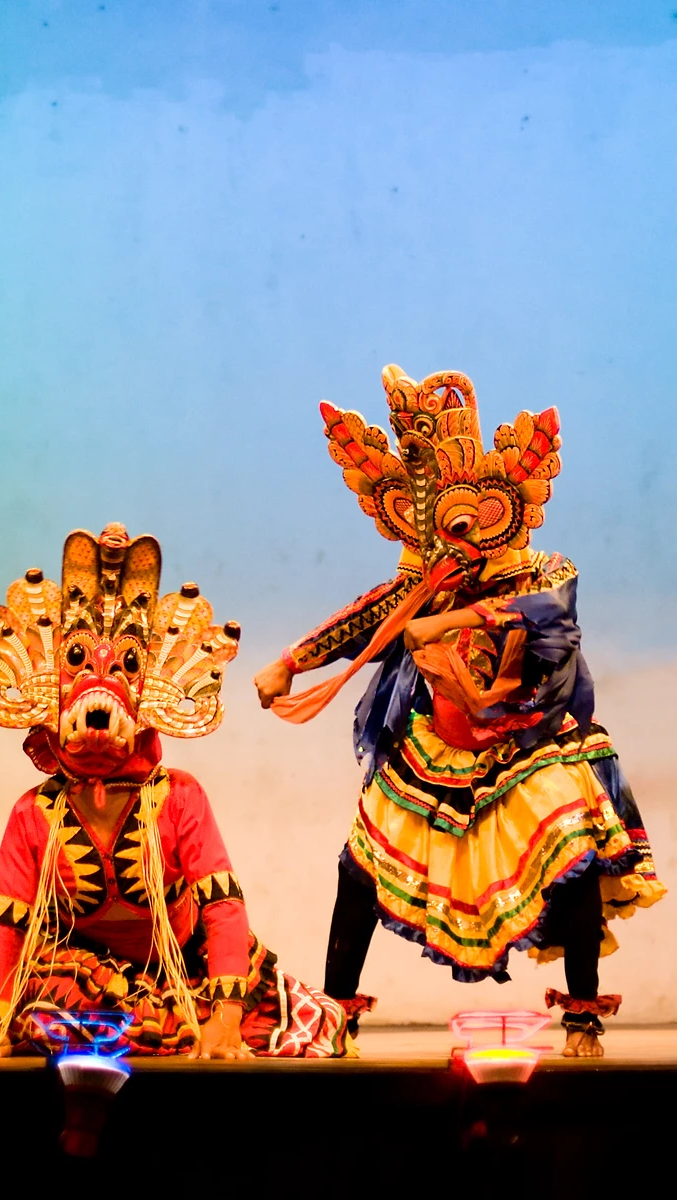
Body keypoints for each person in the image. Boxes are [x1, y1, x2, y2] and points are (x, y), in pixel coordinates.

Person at [254, 366, 664, 1057]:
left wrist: (453, 622)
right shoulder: (425, 582)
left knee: (574, 849)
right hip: (435, 750)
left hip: (530, 740)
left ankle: (584, 1017)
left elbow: (553, 618)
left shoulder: (540, 571)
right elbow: (372, 618)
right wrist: (292, 661)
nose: (456, 531)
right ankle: (336, 1014)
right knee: (360, 865)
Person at [0, 523, 352, 1060]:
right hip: (81, 971)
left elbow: (222, 906)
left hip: (184, 968)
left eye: (124, 667)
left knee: (292, 1027)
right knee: (50, 1024)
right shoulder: (35, 812)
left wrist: (226, 1020)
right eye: (77, 664)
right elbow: (6, 919)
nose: (99, 687)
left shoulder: (178, 797)